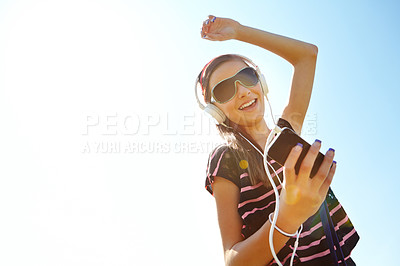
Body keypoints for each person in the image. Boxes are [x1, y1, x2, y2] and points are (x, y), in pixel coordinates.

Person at [197, 15, 359, 265]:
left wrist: (240, 31)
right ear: (216, 111)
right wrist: (286, 218)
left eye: (248, 77)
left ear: (260, 82)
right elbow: (232, 260)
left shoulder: (287, 135)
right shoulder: (225, 158)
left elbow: (307, 55)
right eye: (225, 89)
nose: (243, 91)